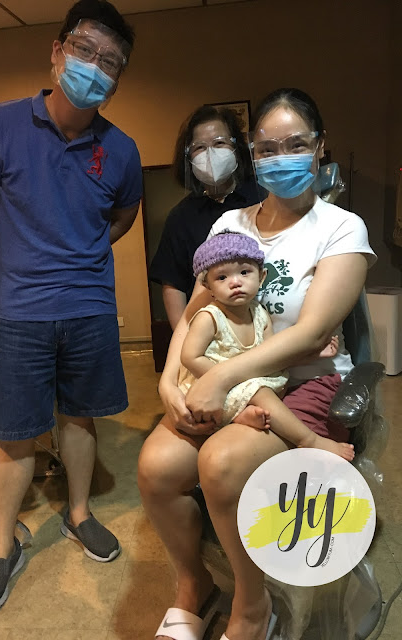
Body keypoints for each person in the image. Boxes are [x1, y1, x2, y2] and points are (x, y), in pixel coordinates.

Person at [138, 87, 376, 640]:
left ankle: (252, 606)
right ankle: (195, 585)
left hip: (303, 385)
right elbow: (194, 312)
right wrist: (170, 381)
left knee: (220, 465)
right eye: (268, 148)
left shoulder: (341, 228)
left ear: (320, 147)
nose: (281, 157)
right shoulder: (229, 226)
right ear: (253, 154)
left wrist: (221, 375)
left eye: (296, 144)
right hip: (228, 384)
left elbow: (311, 334)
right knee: (155, 468)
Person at [0, 0, 142, 617]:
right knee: (13, 434)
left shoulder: (121, 149)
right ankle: (2, 547)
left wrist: (82, 250)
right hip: (17, 311)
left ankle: (78, 513)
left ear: (117, 79)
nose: (94, 67)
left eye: (109, 62)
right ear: (58, 50)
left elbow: (123, 216)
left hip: (89, 308)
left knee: (80, 419)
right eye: (85, 50)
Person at [180, 231, 354, 460]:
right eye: (221, 277)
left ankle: (240, 415)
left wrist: (312, 355)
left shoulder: (259, 314)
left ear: (261, 277)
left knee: (277, 383)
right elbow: (189, 357)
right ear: (208, 286)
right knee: (259, 391)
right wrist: (222, 379)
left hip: (243, 380)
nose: (235, 282)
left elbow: (274, 357)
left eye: (244, 272)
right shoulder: (209, 317)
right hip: (209, 387)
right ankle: (308, 439)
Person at [149, 105, 260, 330]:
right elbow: (173, 284)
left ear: (236, 148)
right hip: (209, 330)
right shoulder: (180, 217)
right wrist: (185, 339)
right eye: (199, 147)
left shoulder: (263, 197)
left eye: (219, 143)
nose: (210, 153)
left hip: (263, 322)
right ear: (188, 157)